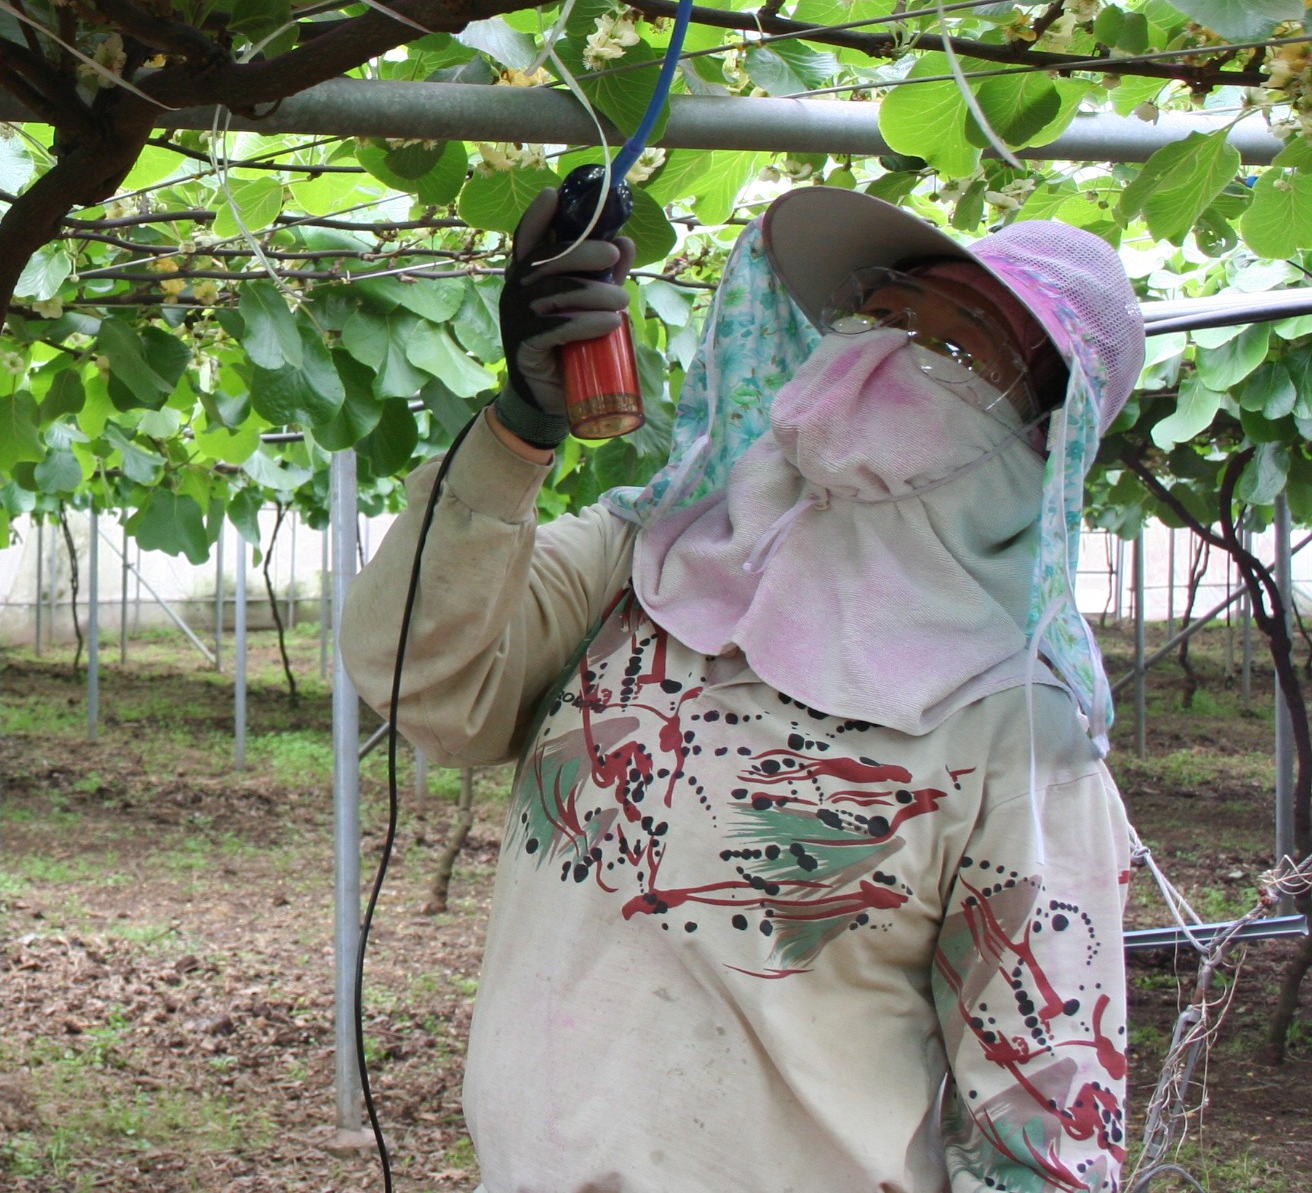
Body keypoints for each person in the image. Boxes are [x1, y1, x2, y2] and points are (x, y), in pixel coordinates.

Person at [342, 186, 1144, 1193]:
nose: (892, 354)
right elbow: (420, 674)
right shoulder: (652, 561)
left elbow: (1049, 1126)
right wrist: (518, 430)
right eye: (886, 312)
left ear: (1040, 437)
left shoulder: (1019, 734)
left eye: (960, 347)